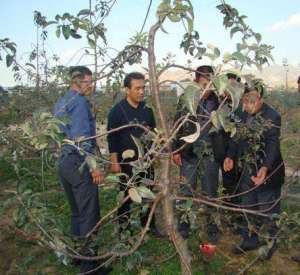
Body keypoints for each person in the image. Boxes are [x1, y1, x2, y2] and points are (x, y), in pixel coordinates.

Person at [54, 66, 110, 274]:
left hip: (64, 163)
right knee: (89, 215)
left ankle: (78, 256)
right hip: (79, 163)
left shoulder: (63, 101)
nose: (91, 85)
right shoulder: (78, 103)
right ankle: (89, 266)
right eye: (88, 81)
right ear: (76, 81)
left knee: (77, 212)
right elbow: (82, 140)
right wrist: (93, 166)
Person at [224, 80, 285, 260]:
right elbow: (236, 138)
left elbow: (273, 145)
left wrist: (265, 167)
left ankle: (269, 243)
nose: (245, 106)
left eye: (249, 102)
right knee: (247, 205)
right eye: (243, 101)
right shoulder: (241, 114)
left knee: (268, 209)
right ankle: (249, 239)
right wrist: (229, 156)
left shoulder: (272, 116)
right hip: (246, 169)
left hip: (267, 170)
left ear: (260, 99)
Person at [172, 65, 223, 241]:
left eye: (210, 84)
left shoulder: (219, 101)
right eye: (203, 84)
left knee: (210, 192)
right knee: (186, 189)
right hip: (189, 154)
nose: (207, 89)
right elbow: (177, 124)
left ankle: (212, 227)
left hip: (210, 155)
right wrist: (175, 149)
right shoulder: (186, 100)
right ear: (196, 82)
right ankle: (183, 225)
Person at [107, 72, 160, 237]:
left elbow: (153, 133)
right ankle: (125, 229)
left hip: (146, 161)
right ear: (126, 90)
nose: (141, 92)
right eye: (137, 88)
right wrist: (114, 162)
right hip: (126, 164)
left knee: (148, 193)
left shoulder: (147, 109)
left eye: (143, 88)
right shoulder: (117, 111)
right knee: (126, 196)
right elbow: (112, 139)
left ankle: (149, 226)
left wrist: (154, 153)